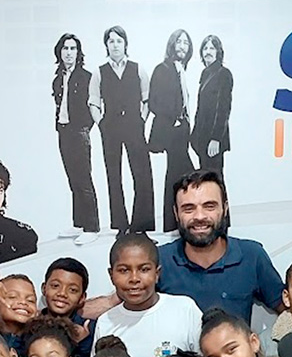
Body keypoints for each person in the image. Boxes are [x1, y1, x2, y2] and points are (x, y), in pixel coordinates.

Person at [90, 233, 202, 357]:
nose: (134, 278)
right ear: (111, 275)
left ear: (157, 273)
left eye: (144, 269)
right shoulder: (106, 322)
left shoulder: (184, 310)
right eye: (124, 270)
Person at [157, 171, 285, 322]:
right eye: (189, 209)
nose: (199, 216)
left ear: (224, 209)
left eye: (209, 206)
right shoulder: (159, 260)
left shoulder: (252, 256)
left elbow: (289, 310)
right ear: (176, 213)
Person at [88, 25, 154, 232]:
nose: (115, 45)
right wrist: (101, 124)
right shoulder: (99, 72)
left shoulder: (138, 69)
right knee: (113, 176)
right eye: (111, 41)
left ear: (125, 44)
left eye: (119, 41)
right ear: (106, 45)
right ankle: (121, 226)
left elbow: (147, 99)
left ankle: (141, 226)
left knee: (142, 175)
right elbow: (93, 102)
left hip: (134, 125)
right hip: (111, 127)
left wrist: (141, 119)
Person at [51, 33, 99, 245]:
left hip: (79, 132)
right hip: (63, 132)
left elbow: (94, 105)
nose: (69, 53)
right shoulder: (57, 79)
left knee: (83, 180)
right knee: (73, 179)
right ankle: (78, 223)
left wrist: (84, 127)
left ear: (78, 53)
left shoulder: (86, 77)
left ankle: (92, 227)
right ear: (59, 52)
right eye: (65, 48)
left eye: (72, 48)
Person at [148, 29, 197, 233]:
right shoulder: (162, 69)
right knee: (188, 175)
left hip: (182, 129)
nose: (182, 46)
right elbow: (153, 102)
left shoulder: (182, 70)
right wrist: (174, 118)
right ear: (172, 45)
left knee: (175, 175)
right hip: (171, 130)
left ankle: (172, 225)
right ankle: (172, 225)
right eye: (179, 42)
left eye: (186, 43)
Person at [39, 258, 93, 357]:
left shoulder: (90, 330)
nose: (62, 293)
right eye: (55, 286)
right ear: (44, 288)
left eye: (72, 290)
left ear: (82, 298)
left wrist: (82, 345)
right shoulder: (30, 328)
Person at [190, 35, 232, 178]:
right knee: (206, 179)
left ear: (218, 52)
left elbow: (224, 109)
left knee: (215, 179)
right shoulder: (205, 73)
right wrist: (194, 137)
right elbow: (200, 108)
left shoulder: (223, 73)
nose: (208, 51)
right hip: (202, 137)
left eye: (212, 48)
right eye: (205, 48)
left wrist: (216, 138)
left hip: (213, 138)